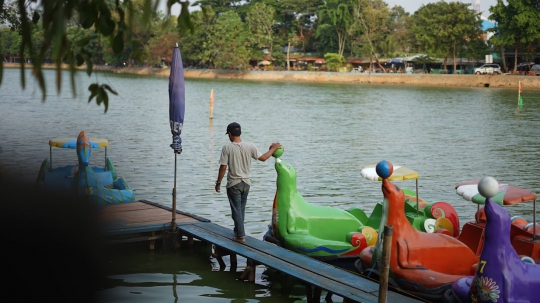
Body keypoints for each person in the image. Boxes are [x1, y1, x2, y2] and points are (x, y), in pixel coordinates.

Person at [215, 122, 281, 243]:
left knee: (236, 210)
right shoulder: (250, 146)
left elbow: (223, 167)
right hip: (246, 183)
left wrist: (218, 182)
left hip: (234, 184)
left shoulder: (227, 148)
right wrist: (273, 149)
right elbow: (264, 158)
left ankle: (240, 236)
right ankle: (238, 230)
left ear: (230, 134)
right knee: (241, 209)